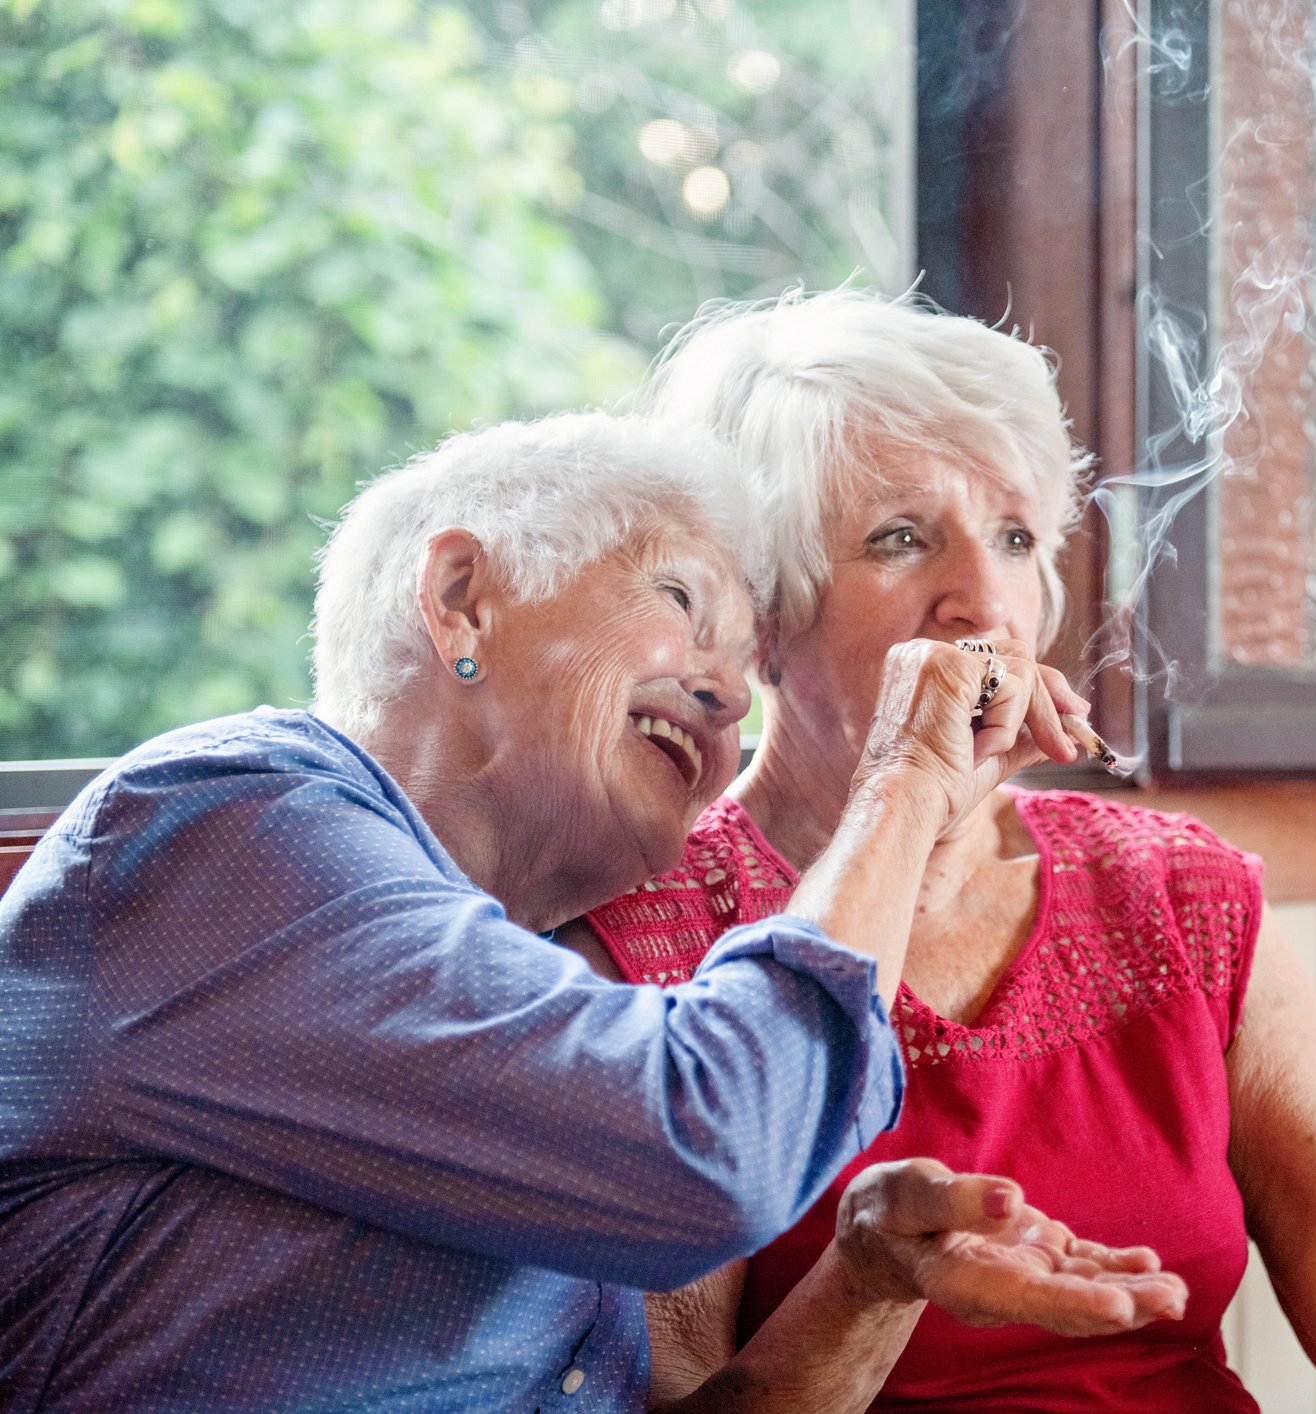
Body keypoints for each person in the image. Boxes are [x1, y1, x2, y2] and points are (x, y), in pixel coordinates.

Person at [579, 288, 1316, 1413]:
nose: (984, 604)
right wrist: (866, 1286)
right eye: (901, 539)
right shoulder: (642, 937)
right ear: (762, 619)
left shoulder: (1178, 895)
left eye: (1013, 537)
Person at [0, 411, 1178, 1413]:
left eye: (744, 668)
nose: (727, 698)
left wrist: (865, 1279)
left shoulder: (526, 977)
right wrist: (908, 770)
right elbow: (708, 1147)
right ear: (461, 599)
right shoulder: (224, 827)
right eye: (679, 599)